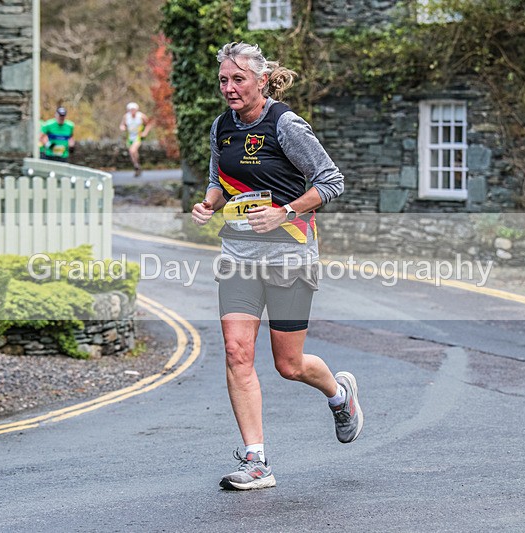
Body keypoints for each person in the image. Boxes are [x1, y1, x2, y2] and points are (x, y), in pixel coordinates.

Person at [191, 42, 364, 491]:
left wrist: (285, 211)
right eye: (224, 80)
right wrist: (209, 203)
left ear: (261, 80)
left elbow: (331, 180)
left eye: (238, 80)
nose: (229, 88)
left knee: (289, 364)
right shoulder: (221, 127)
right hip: (238, 256)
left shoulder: (285, 124)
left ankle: (339, 393)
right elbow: (218, 177)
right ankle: (256, 460)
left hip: (290, 254)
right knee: (236, 351)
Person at [119, 102, 153, 177]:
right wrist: (122, 127)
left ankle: (137, 165)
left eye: (133, 109)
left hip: (138, 136)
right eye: (131, 109)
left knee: (132, 150)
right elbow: (122, 125)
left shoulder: (141, 116)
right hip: (130, 137)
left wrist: (145, 132)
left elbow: (148, 124)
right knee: (132, 153)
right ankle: (136, 165)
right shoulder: (126, 116)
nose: (132, 111)